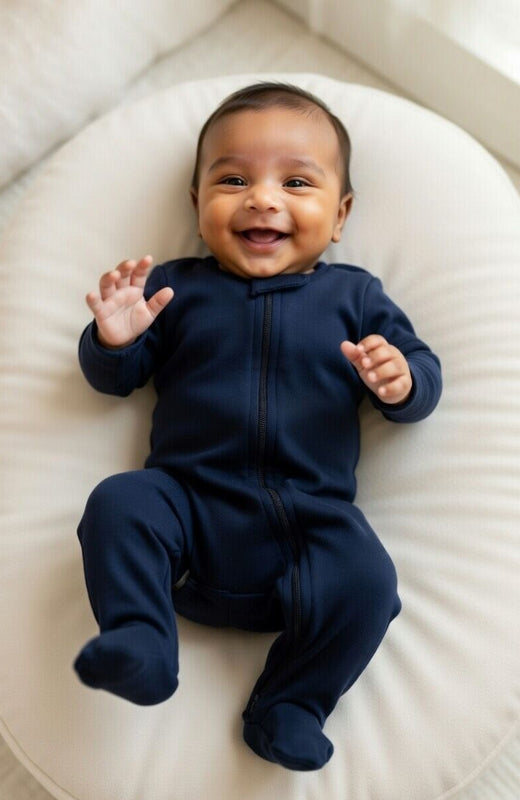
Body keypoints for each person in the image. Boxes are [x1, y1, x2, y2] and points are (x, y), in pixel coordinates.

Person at [74, 82, 442, 771]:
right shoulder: (175, 291)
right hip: (187, 508)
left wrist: (402, 380)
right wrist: (115, 340)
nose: (262, 198)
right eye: (233, 179)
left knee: (368, 581)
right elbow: (114, 380)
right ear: (197, 206)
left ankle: (292, 703)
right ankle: (141, 637)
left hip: (309, 528)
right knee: (118, 502)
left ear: (340, 214)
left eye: (296, 181)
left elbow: (420, 376)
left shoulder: (353, 295)